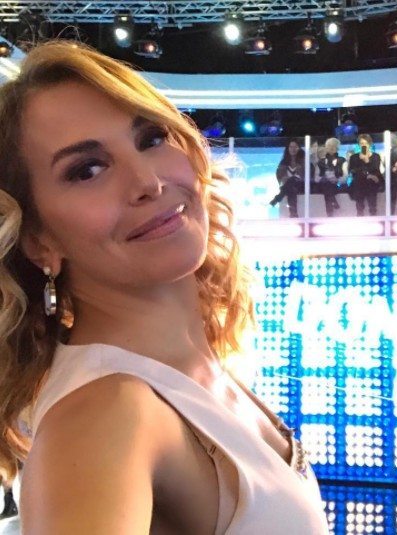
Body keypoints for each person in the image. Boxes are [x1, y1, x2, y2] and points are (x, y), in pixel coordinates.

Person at [0, 41, 328, 534]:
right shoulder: (105, 414)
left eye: (151, 138)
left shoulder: (182, 372)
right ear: (38, 241)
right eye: (87, 170)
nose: (147, 181)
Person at [348, 134, 383, 216]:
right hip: (359, 183)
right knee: (359, 206)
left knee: (372, 205)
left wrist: (367, 161)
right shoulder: (354, 157)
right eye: (361, 143)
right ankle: (360, 217)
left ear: (369, 144)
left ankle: (373, 217)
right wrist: (366, 174)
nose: (363, 145)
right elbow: (352, 170)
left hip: (371, 184)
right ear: (359, 145)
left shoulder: (376, 156)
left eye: (366, 143)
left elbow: (376, 170)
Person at [269, 139, 306, 218]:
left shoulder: (303, 161)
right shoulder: (283, 162)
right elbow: (279, 175)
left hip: (301, 186)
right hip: (288, 186)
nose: (293, 149)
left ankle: (278, 198)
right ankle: (293, 214)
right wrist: (284, 180)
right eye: (291, 147)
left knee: (292, 180)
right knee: (291, 187)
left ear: (299, 148)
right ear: (288, 148)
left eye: (295, 147)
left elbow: (305, 175)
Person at [317, 138, 346, 217]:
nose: (331, 148)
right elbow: (317, 177)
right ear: (326, 147)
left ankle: (330, 213)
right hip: (324, 184)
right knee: (326, 183)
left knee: (328, 186)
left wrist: (337, 180)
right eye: (329, 146)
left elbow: (345, 176)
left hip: (337, 185)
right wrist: (326, 178)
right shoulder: (321, 162)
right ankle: (333, 201)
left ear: (337, 148)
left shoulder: (342, 160)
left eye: (334, 146)